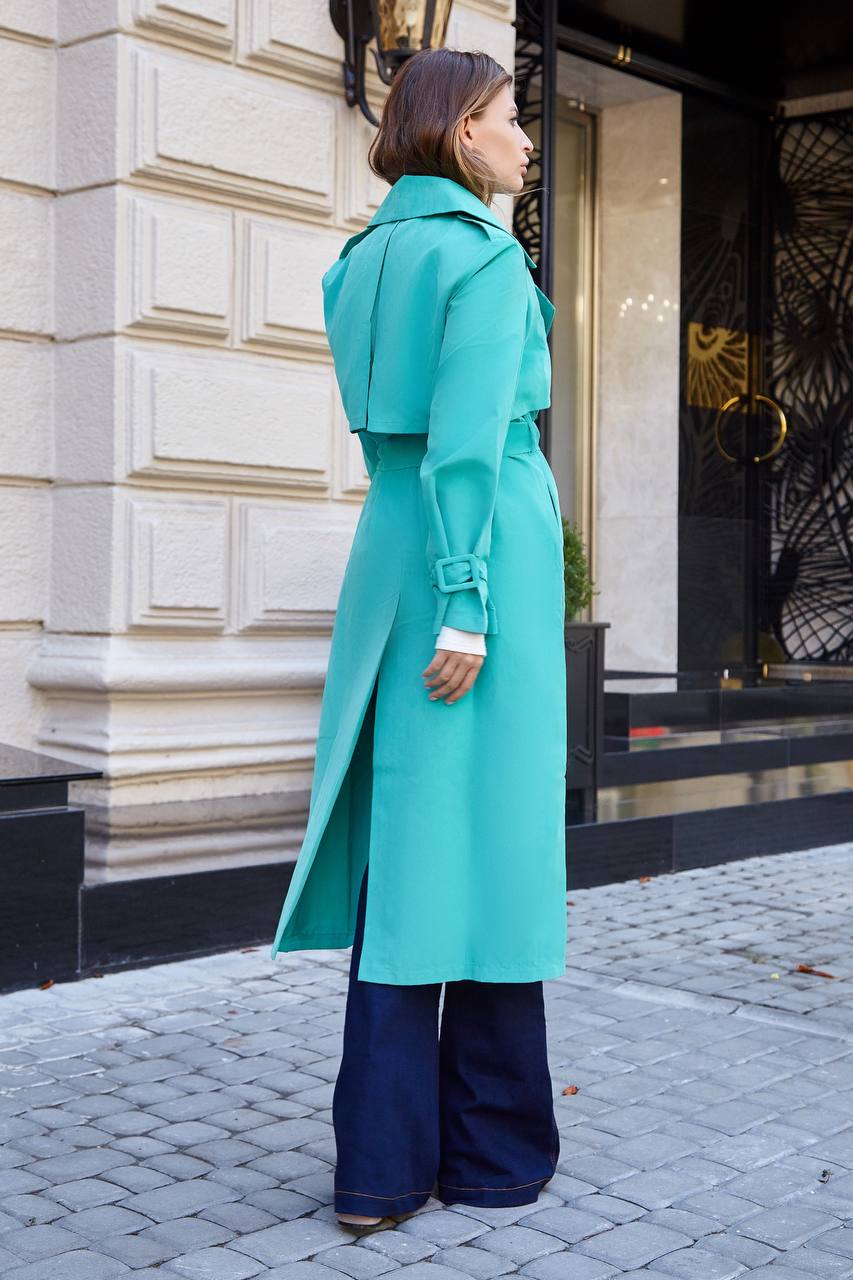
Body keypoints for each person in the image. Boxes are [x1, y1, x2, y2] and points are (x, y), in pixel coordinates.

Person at [269, 46, 568, 1233]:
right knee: (492, 843)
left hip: (388, 546)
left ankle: (381, 1166)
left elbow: (396, 438)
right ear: (460, 133)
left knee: (406, 850)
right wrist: (468, 598)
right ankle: (492, 1150)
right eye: (510, 116)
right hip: (474, 557)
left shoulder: (358, 261)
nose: (527, 139)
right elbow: (467, 441)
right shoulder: (483, 256)